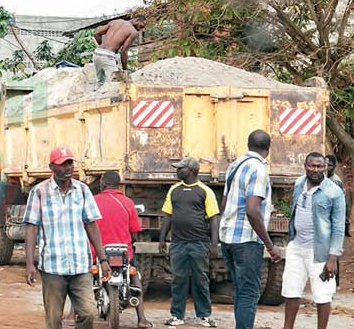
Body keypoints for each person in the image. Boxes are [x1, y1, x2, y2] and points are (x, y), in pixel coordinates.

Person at [24, 146, 110, 329]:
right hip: (53, 268)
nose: (68, 167)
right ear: (52, 167)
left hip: (81, 266)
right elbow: (31, 227)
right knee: (54, 320)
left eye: (70, 162)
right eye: (63, 164)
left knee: (88, 313)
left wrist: (103, 259)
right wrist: (29, 263)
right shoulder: (39, 192)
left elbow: (91, 224)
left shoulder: (83, 190)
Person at [218, 130, 282, 329]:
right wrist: (270, 245)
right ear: (268, 149)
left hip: (227, 238)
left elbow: (224, 202)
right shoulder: (259, 169)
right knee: (249, 292)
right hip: (246, 241)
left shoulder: (234, 165)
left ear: (248, 144)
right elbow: (253, 211)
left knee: (241, 290)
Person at [282, 152, 346, 329]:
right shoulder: (299, 184)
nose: (316, 169)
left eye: (320, 166)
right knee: (290, 291)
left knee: (322, 295)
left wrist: (332, 258)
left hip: (319, 252)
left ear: (325, 167)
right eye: (312, 166)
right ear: (305, 166)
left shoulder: (334, 192)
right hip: (296, 246)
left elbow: (339, 227)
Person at [159, 157, 219, 327]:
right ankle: (177, 315)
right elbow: (167, 216)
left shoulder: (205, 191)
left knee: (201, 279)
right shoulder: (174, 190)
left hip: (199, 243)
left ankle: (204, 316)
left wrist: (214, 244)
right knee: (178, 279)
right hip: (178, 243)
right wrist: (163, 238)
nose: (177, 171)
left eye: (181, 168)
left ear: (192, 170)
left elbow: (214, 218)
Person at [93, 171, 151, 329]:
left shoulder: (93, 201)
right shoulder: (128, 202)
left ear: (103, 183)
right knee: (134, 276)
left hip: (98, 252)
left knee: (82, 277)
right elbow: (135, 231)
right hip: (123, 252)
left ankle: (71, 315)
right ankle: (142, 319)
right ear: (118, 184)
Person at [92, 15, 145, 86]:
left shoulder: (115, 22)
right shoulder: (133, 31)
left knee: (100, 81)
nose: (141, 29)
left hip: (96, 54)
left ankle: (96, 95)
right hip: (107, 57)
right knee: (119, 83)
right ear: (137, 20)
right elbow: (123, 51)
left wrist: (102, 47)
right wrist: (125, 70)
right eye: (141, 26)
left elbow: (96, 33)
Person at [326, 155, 350, 238]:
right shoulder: (324, 178)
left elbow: (340, 202)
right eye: (326, 165)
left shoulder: (335, 181)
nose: (327, 167)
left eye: (330, 165)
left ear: (335, 166)